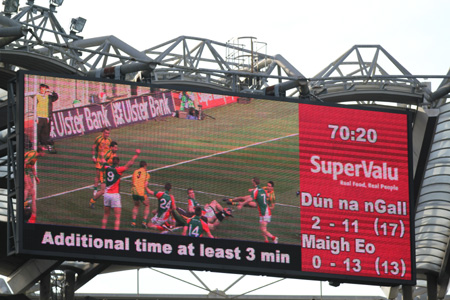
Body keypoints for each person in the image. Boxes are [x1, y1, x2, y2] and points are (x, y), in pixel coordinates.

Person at [101, 149, 141, 230]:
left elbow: (102, 160)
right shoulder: (118, 170)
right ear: (118, 162)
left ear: (112, 162)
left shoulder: (107, 168)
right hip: (115, 195)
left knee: (105, 215)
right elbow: (129, 164)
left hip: (106, 194)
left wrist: (101, 152)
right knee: (117, 217)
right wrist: (136, 155)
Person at [238, 177, 278, 243]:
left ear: (254, 183)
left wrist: (242, 204)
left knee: (263, 229)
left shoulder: (259, 191)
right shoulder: (262, 189)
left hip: (265, 212)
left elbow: (250, 199)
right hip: (263, 211)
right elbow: (266, 195)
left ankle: (274, 238)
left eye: (252, 182)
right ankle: (266, 241)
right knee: (263, 228)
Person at [90, 127, 112, 208]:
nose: (107, 134)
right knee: (98, 175)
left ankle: (103, 191)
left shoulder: (109, 140)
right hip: (99, 160)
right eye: (106, 133)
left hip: (106, 162)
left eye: (108, 133)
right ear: (103, 133)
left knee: (105, 177)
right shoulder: (98, 139)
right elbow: (93, 147)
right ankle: (95, 190)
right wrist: (93, 156)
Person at [23, 148, 45, 223]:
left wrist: (35, 177)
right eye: (44, 152)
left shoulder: (35, 156)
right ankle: (23, 202)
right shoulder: (33, 155)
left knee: (32, 189)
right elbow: (24, 162)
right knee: (28, 187)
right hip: (22, 170)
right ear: (40, 152)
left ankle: (26, 204)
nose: (44, 153)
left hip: (25, 171)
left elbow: (32, 167)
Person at [36, 83, 58, 154]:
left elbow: (56, 97)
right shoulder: (37, 95)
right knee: (38, 132)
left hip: (46, 117)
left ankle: (44, 145)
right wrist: (36, 117)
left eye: (44, 88)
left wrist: (51, 91)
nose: (43, 90)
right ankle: (37, 146)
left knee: (45, 132)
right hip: (39, 117)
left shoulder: (49, 97)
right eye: (41, 88)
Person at [131, 161, 153, 228]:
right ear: (145, 166)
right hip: (141, 192)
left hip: (134, 191)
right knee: (147, 205)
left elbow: (132, 182)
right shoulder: (146, 174)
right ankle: (144, 221)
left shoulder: (135, 171)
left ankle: (133, 222)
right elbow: (145, 185)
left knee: (136, 205)